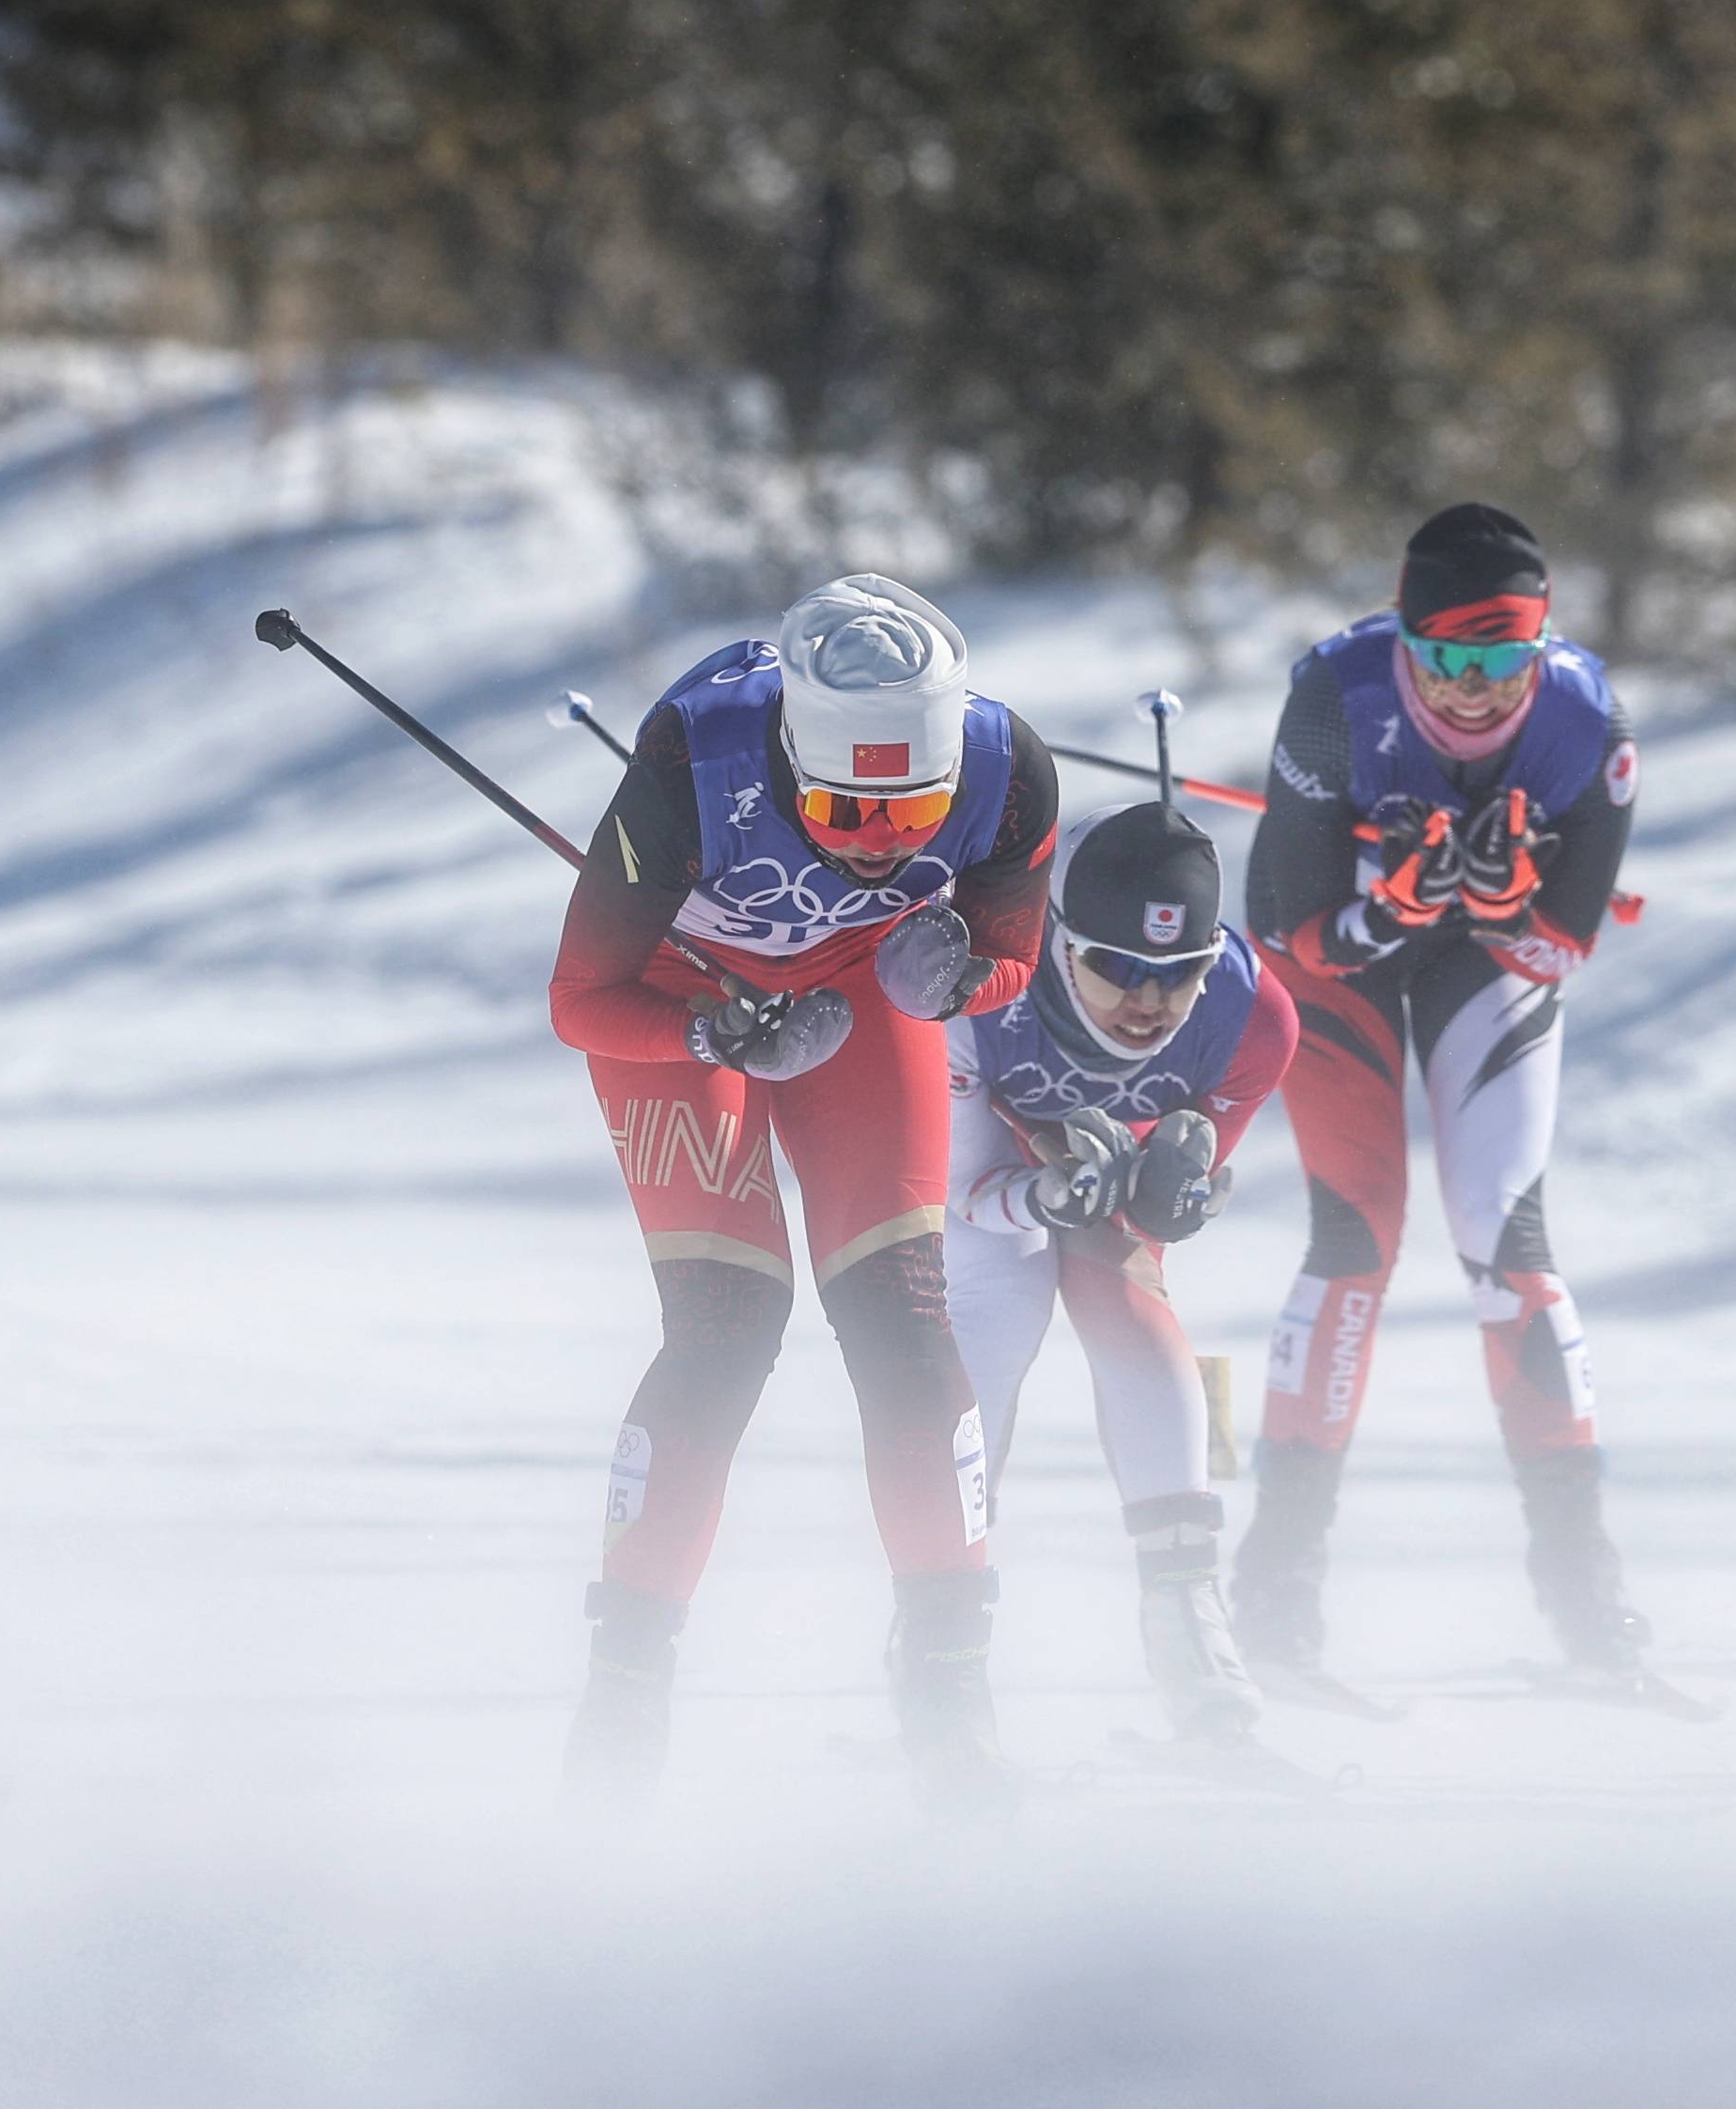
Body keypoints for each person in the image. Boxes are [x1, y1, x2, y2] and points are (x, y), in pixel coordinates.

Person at [544, 573, 1060, 1803]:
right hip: (681, 997)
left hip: (863, 998)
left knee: (902, 1318)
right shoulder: (690, 759)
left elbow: (1011, 954)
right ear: (786, 754)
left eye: (909, 813)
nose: (876, 842)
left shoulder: (1006, 770)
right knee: (727, 1328)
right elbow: (581, 1000)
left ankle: (949, 1683)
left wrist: (958, 976)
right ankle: (624, 1688)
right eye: (838, 806)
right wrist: (717, 1036)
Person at [1228, 502, 1652, 1702]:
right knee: (1356, 1236)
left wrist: (1513, 903)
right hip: (1342, 960)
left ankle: (1583, 1583)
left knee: (1504, 1241)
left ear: (1540, 647)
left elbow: (1571, 941)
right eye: (1450, 660)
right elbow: (1281, 918)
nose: (1475, 691)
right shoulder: (1337, 695)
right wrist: (1389, 908)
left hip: (1487, 961)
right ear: (1405, 640)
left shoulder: (1587, 719)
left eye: (1503, 660)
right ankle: (1281, 1578)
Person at [944, 799, 1297, 1748]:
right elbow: (960, 1188)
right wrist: (1043, 1195)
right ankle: (941, 1628)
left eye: (1180, 971)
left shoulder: (1251, 1015)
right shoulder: (983, 981)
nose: (1149, 999)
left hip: (1093, 1161)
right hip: (992, 1174)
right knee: (998, 1301)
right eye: (1116, 966)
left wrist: (1173, 1193)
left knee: (1123, 1293)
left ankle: (1185, 1608)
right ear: (1056, 942)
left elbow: (1158, 1206)